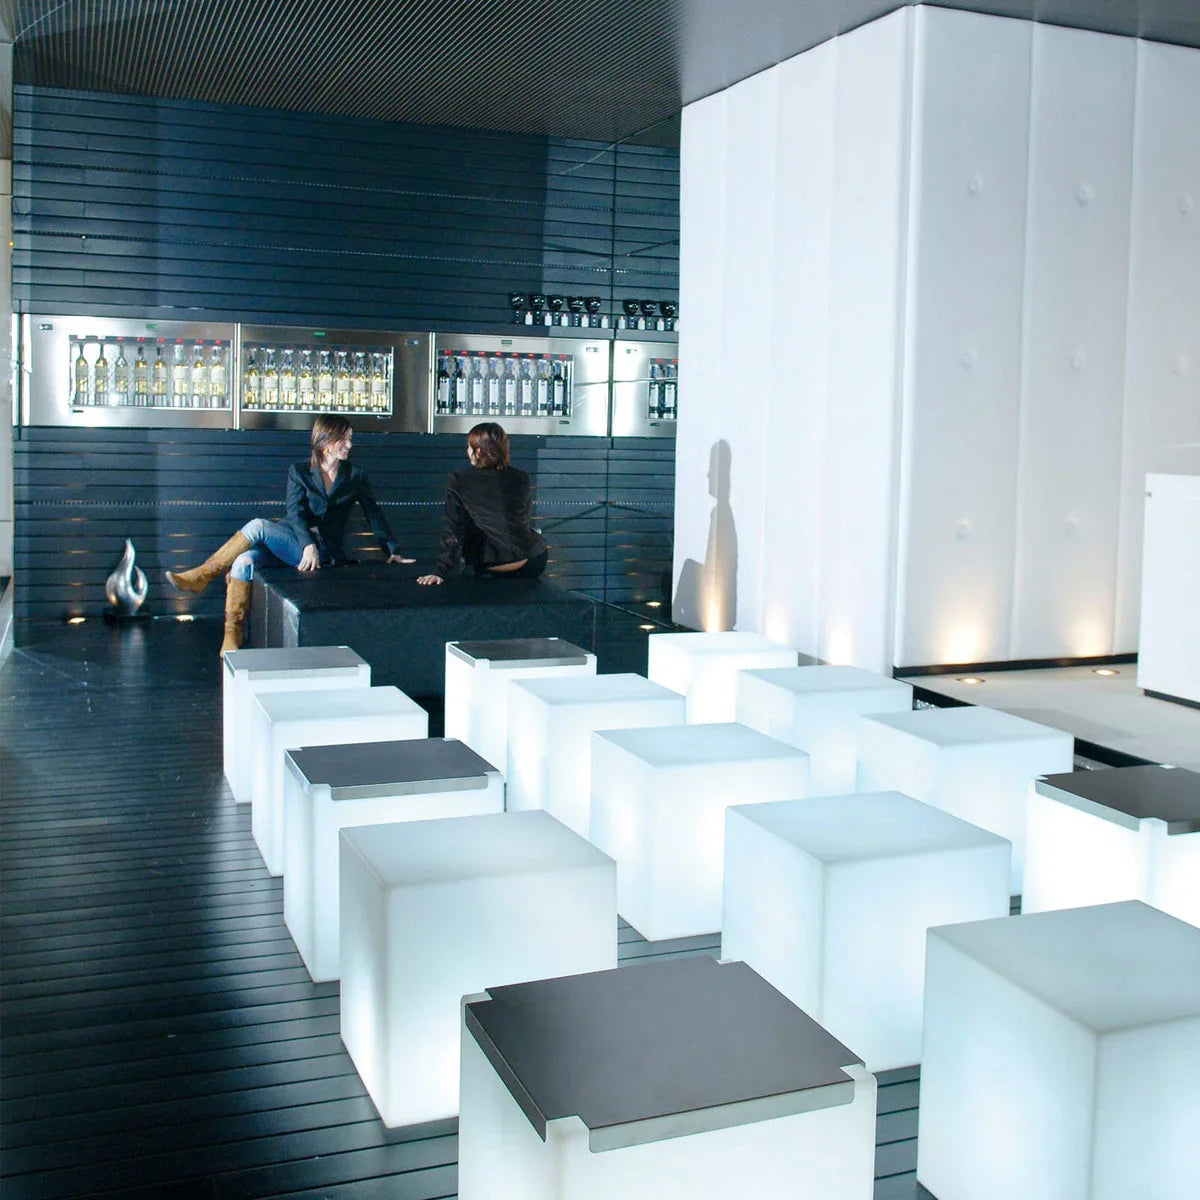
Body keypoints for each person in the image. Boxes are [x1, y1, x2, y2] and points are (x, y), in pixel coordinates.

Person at [165, 414, 414, 654]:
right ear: (325, 442)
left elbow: (373, 513)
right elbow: (295, 513)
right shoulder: (299, 471)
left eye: (350, 439)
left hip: (323, 549)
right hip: (295, 540)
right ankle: (232, 634)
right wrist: (307, 544)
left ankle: (203, 575)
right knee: (243, 560)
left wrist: (392, 551)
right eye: (344, 439)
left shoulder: (354, 475)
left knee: (258, 526)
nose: (350, 445)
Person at [417, 422, 547, 586]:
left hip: (494, 565)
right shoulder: (522, 477)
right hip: (534, 560)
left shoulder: (459, 481)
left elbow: (454, 530)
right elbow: (522, 520)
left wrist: (440, 570)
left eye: (469, 447)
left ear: (478, 451)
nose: (467, 451)